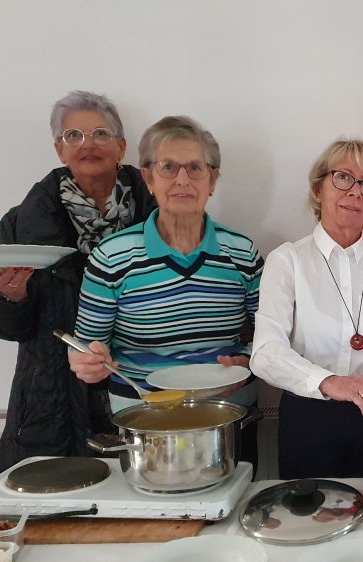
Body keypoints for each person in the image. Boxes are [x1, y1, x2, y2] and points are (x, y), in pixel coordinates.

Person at [67, 115, 263, 468]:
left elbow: (271, 332)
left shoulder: (242, 253)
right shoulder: (111, 257)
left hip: (228, 414)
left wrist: (250, 357)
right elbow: (87, 347)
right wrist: (90, 360)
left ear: (213, 180)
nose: (183, 180)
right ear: (148, 178)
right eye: (168, 167)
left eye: (195, 168)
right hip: (143, 418)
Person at [0, 91, 157, 473]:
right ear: (60, 151)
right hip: (52, 399)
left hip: (134, 387)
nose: (87, 144)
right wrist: (9, 297)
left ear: (121, 146)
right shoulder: (23, 222)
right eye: (72, 136)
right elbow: (7, 329)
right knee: (56, 521)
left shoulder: (157, 217)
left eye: (99, 134)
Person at [251, 139, 363, 479]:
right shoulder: (288, 261)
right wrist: (330, 382)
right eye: (343, 178)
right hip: (307, 415)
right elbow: (266, 353)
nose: (355, 192)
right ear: (319, 189)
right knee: (309, 522)